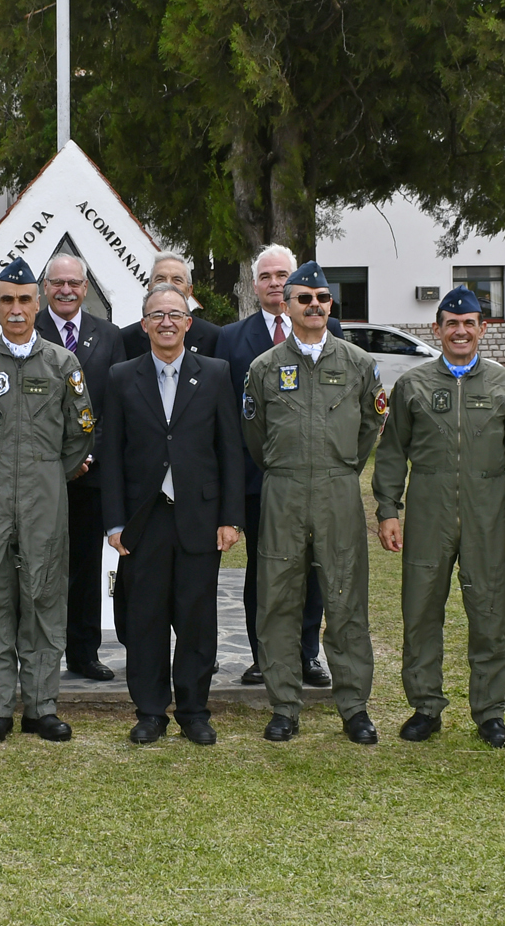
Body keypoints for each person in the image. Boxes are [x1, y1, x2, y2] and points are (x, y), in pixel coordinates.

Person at [374, 285, 505, 748]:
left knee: (489, 615)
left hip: (487, 515)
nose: (460, 331)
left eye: (469, 323)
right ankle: (425, 706)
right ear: (437, 329)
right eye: (451, 323)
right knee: (421, 611)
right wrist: (388, 510)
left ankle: (489, 712)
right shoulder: (414, 385)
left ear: (482, 329)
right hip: (428, 510)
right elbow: (391, 453)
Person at [240, 263, 386, 744]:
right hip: (281, 492)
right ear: (286, 303)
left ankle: (354, 707)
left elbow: (370, 428)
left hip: (337, 491)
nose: (316, 306)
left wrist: (341, 466)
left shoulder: (359, 364)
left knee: (346, 600)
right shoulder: (263, 368)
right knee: (279, 600)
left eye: (323, 298)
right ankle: (284, 705)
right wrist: (286, 468)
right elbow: (254, 435)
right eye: (305, 298)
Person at [0, 257, 97, 743]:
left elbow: (82, 432)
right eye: (6, 301)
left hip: (44, 493)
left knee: (43, 594)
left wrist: (50, 473)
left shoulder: (63, 364)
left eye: (23, 300)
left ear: (38, 304)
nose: (16, 310)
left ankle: (41, 706)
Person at [98, 285, 243, 745]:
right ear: (143, 324)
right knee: (146, 619)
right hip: (144, 519)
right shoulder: (121, 376)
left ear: (188, 323)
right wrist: (115, 522)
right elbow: (112, 456)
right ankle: (150, 711)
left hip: (199, 515)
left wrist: (231, 517)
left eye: (175, 314)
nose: (166, 322)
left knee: (197, 617)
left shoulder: (216, 373)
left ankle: (195, 711)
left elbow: (230, 451)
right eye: (156, 315)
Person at [216, 244, 341, 689]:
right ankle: (261, 654)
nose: (274, 282)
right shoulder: (231, 338)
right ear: (255, 286)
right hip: (255, 478)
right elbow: (230, 414)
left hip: (311, 477)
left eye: (281, 275)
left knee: (310, 568)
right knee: (262, 571)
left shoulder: (330, 329)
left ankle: (307, 653)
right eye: (265, 276)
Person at [33, 253, 124, 682]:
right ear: (44, 288)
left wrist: (87, 455)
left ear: (86, 288)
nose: (66, 290)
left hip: (91, 475)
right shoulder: (29, 330)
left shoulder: (108, 335)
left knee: (87, 567)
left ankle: (84, 652)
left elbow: (115, 405)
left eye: (74, 283)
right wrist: (59, 459)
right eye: (57, 283)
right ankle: (40, 650)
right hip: (42, 474)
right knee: (40, 566)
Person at [118, 253, 217, 360]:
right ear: (149, 288)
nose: (168, 285)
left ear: (189, 290)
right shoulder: (126, 340)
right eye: (160, 279)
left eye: (177, 280)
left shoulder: (213, 338)